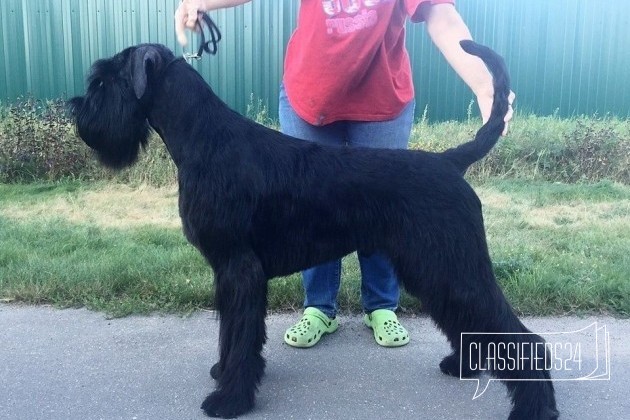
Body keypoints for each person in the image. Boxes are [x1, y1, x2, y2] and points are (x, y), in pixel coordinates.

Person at [175, 0, 515, 349]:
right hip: (310, 97)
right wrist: (199, 1)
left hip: (381, 98)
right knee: (305, 218)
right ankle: (318, 308)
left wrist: (486, 86)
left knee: (391, 216)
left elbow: (441, 15)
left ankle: (383, 306)